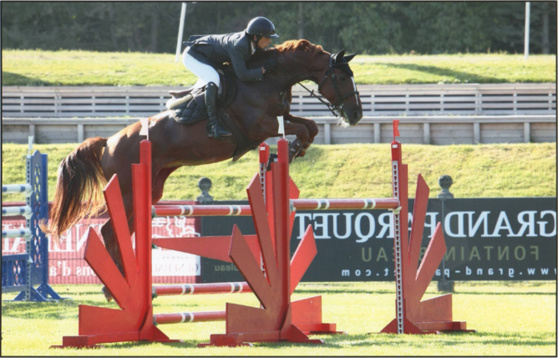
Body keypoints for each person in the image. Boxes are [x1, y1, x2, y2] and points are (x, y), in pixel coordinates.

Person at [182, 16, 279, 139]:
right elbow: (243, 75)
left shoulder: (250, 43)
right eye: (267, 38)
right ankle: (213, 126)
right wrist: (263, 70)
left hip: (209, 58)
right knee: (214, 79)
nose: (269, 41)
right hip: (193, 55)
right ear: (256, 37)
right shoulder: (240, 45)